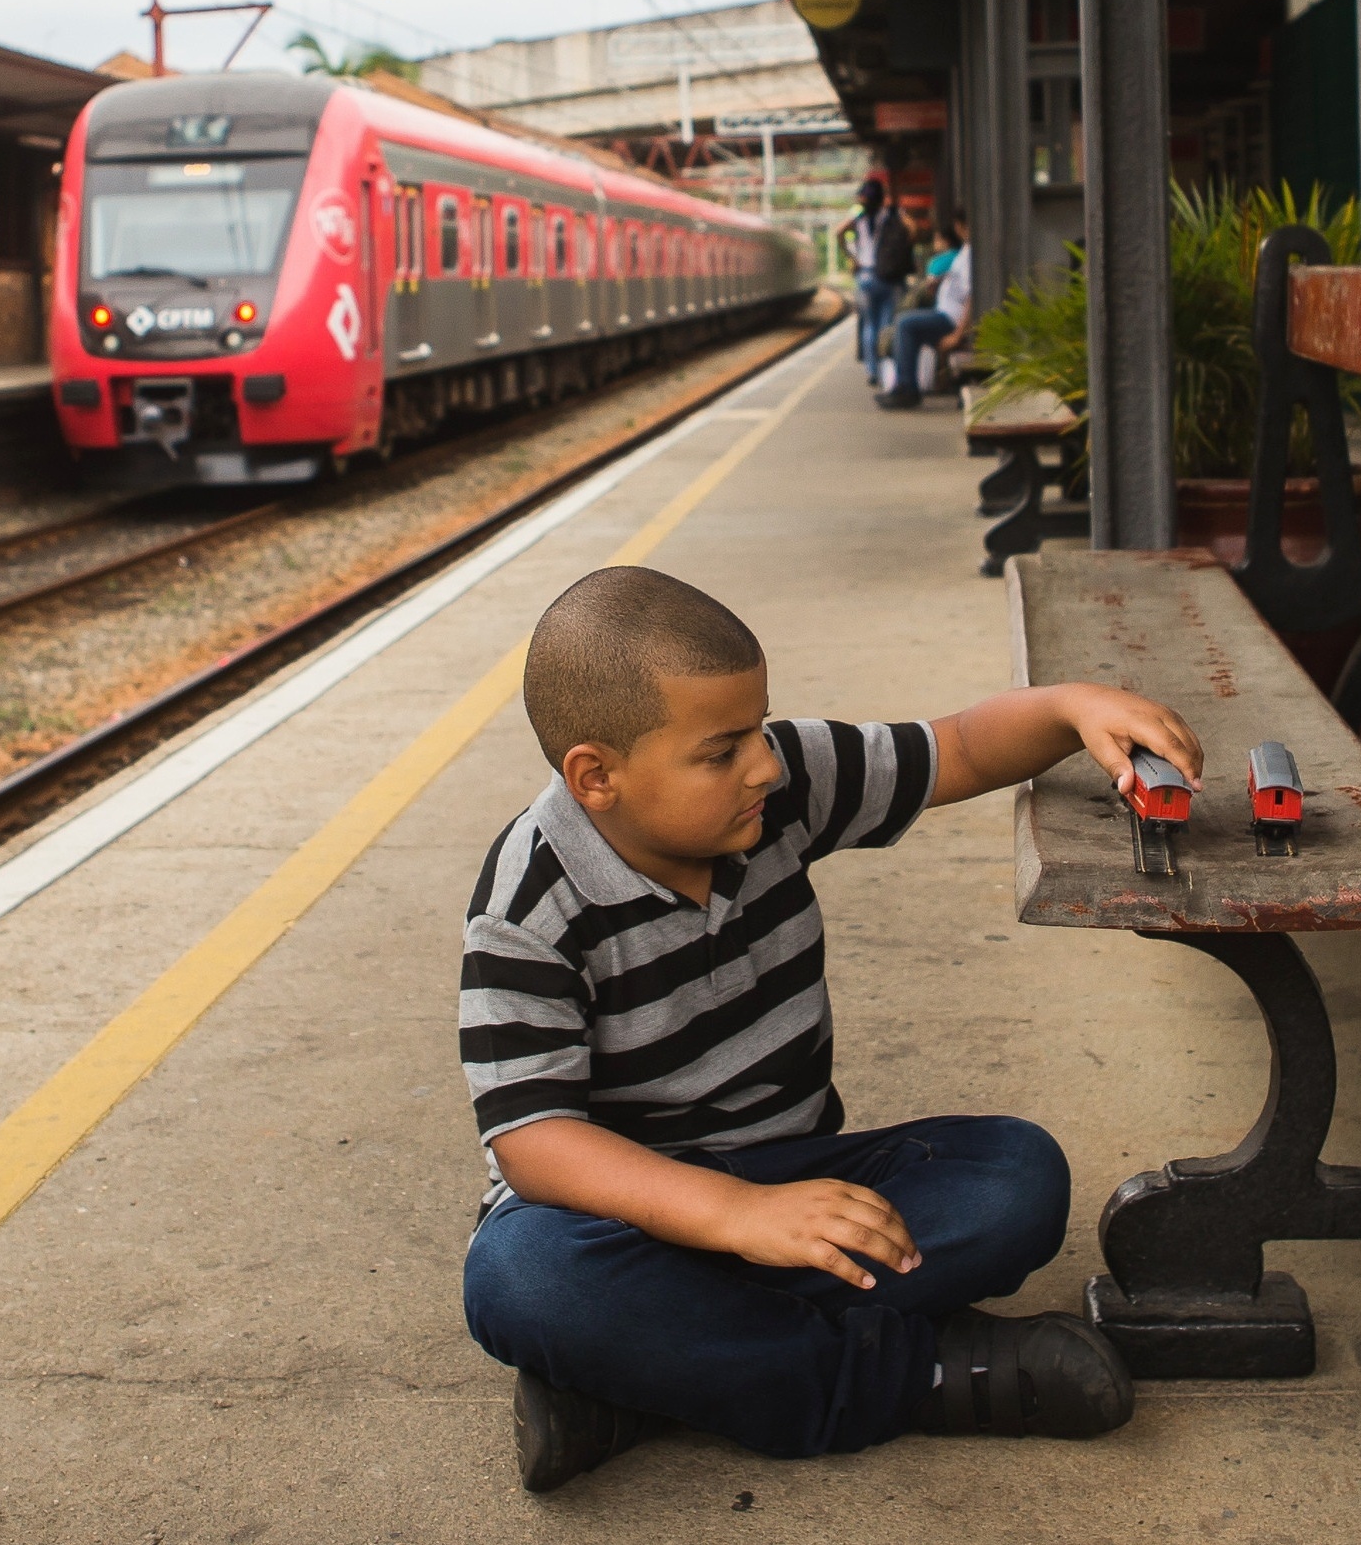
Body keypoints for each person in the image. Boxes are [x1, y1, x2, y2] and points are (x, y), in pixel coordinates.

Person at [459, 562, 1202, 1490]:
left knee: (1017, 1179)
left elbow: (958, 748)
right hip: (621, 1216)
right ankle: (912, 1376)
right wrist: (735, 1216)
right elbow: (535, 1141)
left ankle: (641, 1383)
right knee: (521, 1282)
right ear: (596, 775)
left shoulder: (783, 787)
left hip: (795, 1171)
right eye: (722, 749)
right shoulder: (528, 906)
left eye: (761, 730)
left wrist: (1068, 709)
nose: (764, 762)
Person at [879, 208, 973, 410]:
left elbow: (971, 298)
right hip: (945, 314)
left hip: (951, 319)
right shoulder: (965, 251)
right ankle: (903, 386)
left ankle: (907, 389)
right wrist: (940, 284)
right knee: (905, 323)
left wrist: (957, 335)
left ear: (961, 226)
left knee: (906, 323)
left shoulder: (970, 254)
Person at [838, 176, 913, 385]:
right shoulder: (892, 213)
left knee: (869, 325)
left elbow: (839, 231)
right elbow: (912, 228)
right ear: (883, 198)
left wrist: (852, 257)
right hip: (888, 277)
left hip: (865, 277)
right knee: (887, 325)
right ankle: (888, 370)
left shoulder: (858, 217)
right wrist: (903, 251)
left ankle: (872, 371)